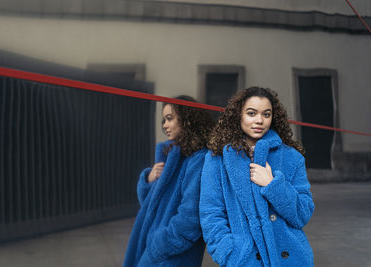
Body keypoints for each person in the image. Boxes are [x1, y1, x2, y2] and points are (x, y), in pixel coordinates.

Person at [200, 87, 314, 266]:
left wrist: (273, 185)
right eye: (251, 113)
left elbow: (303, 213)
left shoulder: (292, 157)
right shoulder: (217, 159)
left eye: (266, 114)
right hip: (244, 260)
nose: (259, 120)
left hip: (291, 259)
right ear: (239, 115)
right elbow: (210, 213)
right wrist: (229, 253)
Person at [124, 95, 215, 267]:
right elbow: (150, 207)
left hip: (172, 256)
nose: (164, 125)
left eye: (170, 118)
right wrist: (149, 180)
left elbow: (190, 221)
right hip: (158, 250)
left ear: (187, 119)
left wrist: (156, 248)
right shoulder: (173, 155)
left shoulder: (198, 159)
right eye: (163, 120)